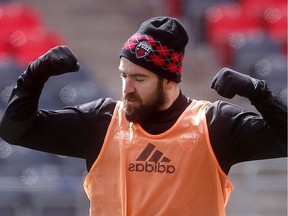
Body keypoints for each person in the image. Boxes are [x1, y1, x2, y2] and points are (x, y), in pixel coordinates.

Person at [0, 16, 286, 216]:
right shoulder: (101, 122)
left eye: (139, 78)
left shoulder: (213, 124)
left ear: (169, 81)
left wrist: (258, 92)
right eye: (124, 75)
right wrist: (34, 75)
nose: (127, 89)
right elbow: (15, 131)